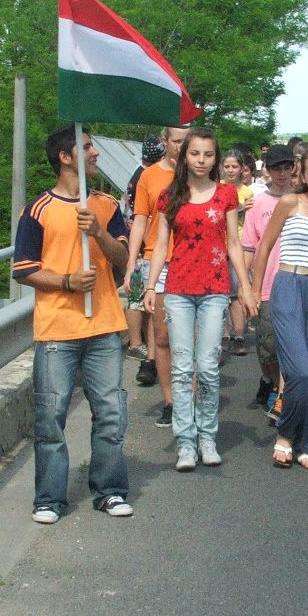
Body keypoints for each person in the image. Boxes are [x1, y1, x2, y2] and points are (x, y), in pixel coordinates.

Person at [12, 124, 134, 522]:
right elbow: (23, 269)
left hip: (103, 324)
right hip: (57, 330)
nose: (95, 153)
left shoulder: (107, 205)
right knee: (51, 417)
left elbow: (122, 260)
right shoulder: (36, 211)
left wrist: (97, 232)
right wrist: (66, 281)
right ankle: (49, 498)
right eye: (86, 148)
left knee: (111, 412)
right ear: (66, 157)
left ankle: (110, 490)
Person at [144, 128, 257, 471]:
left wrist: (247, 287)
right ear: (184, 156)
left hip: (215, 287)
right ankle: (185, 442)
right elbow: (162, 245)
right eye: (195, 154)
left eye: (208, 155)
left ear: (216, 159)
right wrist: (150, 286)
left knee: (207, 366)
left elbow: (234, 244)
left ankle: (207, 435)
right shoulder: (170, 196)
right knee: (182, 367)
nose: (201, 160)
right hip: (178, 287)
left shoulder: (225, 196)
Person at [251, 147, 308, 469]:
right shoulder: (290, 202)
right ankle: (286, 435)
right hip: (287, 285)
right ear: (303, 174)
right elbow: (264, 247)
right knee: (299, 371)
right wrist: (252, 290)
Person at [124, 126, 188, 427]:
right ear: (165, 143)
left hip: (193, 262)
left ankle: (190, 398)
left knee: (190, 341)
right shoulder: (148, 177)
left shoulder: (201, 174)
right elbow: (139, 221)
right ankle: (170, 402)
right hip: (157, 261)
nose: (183, 147)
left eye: (187, 141)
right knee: (162, 336)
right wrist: (131, 264)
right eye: (177, 141)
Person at [241, 144, 297, 415]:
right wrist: (245, 287)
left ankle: (284, 398)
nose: (283, 173)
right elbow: (250, 247)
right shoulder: (258, 203)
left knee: (293, 347)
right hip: (266, 286)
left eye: (288, 167)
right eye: (277, 168)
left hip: (298, 285)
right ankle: (273, 383)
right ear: (267, 170)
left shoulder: (304, 199)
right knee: (269, 348)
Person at [123, 134, 165, 361]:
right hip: (142, 244)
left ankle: (139, 342)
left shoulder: (135, 175)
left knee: (138, 295)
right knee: (138, 295)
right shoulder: (146, 176)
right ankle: (136, 343)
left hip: (138, 241)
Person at [221, 148, 255, 356]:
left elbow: (248, 218)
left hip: (239, 245)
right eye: (227, 166)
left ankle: (239, 335)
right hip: (219, 245)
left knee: (236, 291)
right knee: (220, 293)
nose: (231, 170)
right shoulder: (217, 188)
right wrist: (240, 208)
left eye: (235, 166)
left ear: (242, 169)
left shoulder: (247, 192)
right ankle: (224, 335)